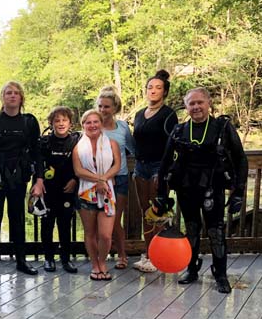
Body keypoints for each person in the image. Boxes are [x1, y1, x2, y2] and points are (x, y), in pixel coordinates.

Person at [156, 87, 247, 293]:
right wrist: (161, 194)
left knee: (216, 231)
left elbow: (241, 159)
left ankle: (220, 274)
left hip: (213, 188)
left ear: (208, 103)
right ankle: (191, 268)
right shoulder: (179, 131)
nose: (196, 107)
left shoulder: (222, 128)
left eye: (200, 102)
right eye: (192, 103)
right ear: (186, 107)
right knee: (191, 229)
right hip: (186, 188)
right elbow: (165, 162)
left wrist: (239, 192)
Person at [0, 80, 44, 275]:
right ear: (2, 97)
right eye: (8, 93)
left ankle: (21, 261)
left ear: (21, 98)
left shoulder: (29, 123)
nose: (12, 95)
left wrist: (39, 180)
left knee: (18, 219)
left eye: (16, 92)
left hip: (19, 179)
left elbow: (37, 153)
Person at [133, 70, 178, 273]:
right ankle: (148, 253)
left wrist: (164, 171)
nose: (153, 91)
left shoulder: (169, 114)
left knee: (157, 212)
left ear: (164, 92)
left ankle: (158, 256)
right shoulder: (139, 114)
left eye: (158, 88)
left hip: (159, 167)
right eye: (150, 87)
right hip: (140, 166)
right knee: (146, 213)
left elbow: (173, 144)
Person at [72, 109, 121, 281]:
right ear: (83, 125)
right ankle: (95, 265)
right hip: (87, 193)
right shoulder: (78, 147)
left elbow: (117, 166)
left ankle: (102, 262)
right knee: (90, 233)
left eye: (95, 122)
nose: (92, 125)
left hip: (107, 192)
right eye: (88, 122)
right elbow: (78, 171)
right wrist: (99, 179)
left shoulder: (112, 143)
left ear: (101, 123)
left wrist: (103, 180)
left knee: (106, 235)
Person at [96, 86, 136, 270]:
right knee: (101, 220)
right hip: (99, 180)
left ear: (114, 108)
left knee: (115, 218)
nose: (102, 110)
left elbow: (132, 149)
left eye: (106, 106)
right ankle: (100, 256)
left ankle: (122, 255)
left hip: (120, 178)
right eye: (100, 106)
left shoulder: (123, 127)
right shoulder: (94, 126)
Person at [39, 106, 79, 273]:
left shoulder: (76, 141)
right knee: (47, 224)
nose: (61, 123)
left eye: (64, 120)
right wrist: (38, 183)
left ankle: (65, 259)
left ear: (70, 123)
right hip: (48, 190)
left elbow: (82, 164)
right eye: (57, 120)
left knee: (65, 225)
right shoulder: (44, 142)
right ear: (51, 123)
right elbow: (38, 164)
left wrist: (75, 180)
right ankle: (48, 258)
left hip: (67, 190)